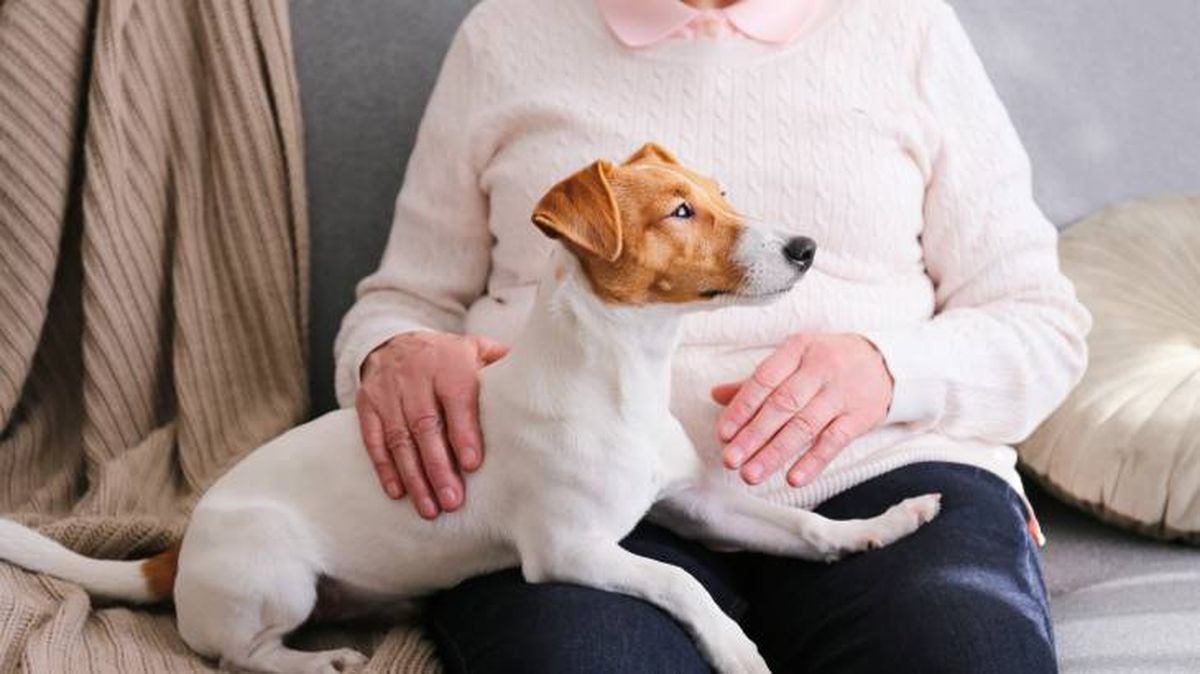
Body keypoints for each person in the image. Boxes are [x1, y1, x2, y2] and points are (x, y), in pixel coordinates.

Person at [334, 0, 1090, 671]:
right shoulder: (506, 34)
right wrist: (392, 356)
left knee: (961, 653)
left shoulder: (907, 26)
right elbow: (403, 302)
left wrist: (888, 370)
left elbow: (1040, 323)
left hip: (879, 472)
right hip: (572, 497)